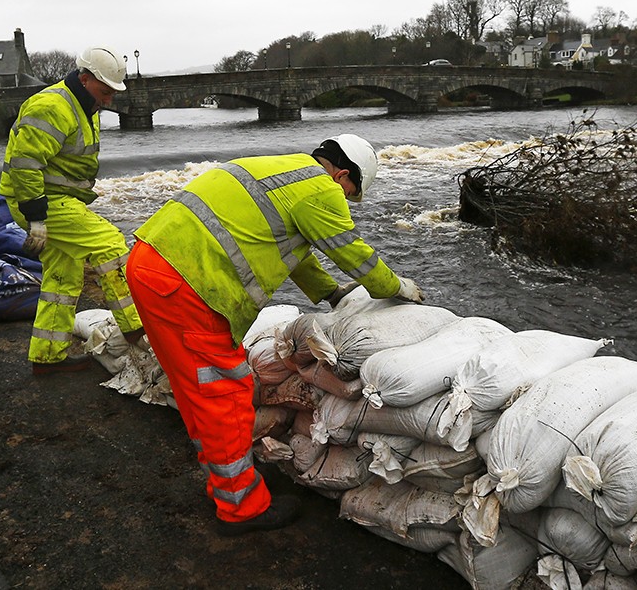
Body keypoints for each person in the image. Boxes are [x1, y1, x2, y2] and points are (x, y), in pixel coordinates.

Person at [126, 134, 424, 535]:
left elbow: (294, 254)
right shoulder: (322, 189)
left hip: (149, 266)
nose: (348, 201)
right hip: (189, 285)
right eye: (352, 193)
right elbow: (353, 253)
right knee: (227, 393)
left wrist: (330, 293)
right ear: (343, 174)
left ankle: (223, 485)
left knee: (196, 390)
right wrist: (396, 288)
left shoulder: (282, 172)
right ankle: (242, 507)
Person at [0, 46, 143, 373]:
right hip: (40, 201)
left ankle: (47, 358)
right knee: (109, 245)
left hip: (55, 199)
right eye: (105, 91)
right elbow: (25, 167)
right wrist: (36, 217)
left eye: (112, 93)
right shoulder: (52, 106)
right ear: (84, 78)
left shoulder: (83, 104)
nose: (108, 100)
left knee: (63, 276)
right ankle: (136, 328)